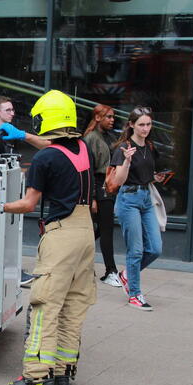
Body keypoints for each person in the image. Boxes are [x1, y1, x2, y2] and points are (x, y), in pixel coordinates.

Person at [2, 90, 96, 385]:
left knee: (45, 304)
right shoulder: (82, 147)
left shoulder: (45, 159)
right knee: (73, 304)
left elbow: (29, 204)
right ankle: (62, 371)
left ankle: (36, 376)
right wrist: (24, 136)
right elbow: (55, 149)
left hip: (62, 234)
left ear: (46, 118)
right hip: (85, 234)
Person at [0, 96, 50, 287]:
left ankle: (10, 270)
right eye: (8, 110)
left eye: (12, 109)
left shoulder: (7, 133)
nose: (12, 113)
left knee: (8, 232)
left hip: (6, 188)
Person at [110, 107, 166, 311]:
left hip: (146, 197)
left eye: (148, 124)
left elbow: (146, 174)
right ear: (131, 125)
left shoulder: (149, 146)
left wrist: (155, 177)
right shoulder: (124, 147)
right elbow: (118, 180)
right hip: (128, 199)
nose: (145, 128)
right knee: (135, 250)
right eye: (141, 124)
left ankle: (126, 275)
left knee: (155, 248)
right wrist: (126, 160)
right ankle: (134, 294)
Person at [83, 104, 121, 287]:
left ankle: (78, 258)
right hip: (99, 185)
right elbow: (88, 169)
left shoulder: (108, 136)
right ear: (98, 118)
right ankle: (110, 270)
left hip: (109, 185)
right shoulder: (91, 138)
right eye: (108, 116)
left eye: (113, 117)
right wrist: (92, 197)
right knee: (106, 230)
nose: (112, 120)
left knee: (102, 229)